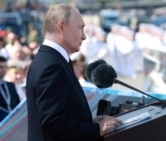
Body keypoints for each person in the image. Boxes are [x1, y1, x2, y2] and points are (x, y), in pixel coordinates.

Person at [25, 4, 122, 141]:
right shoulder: (52, 66)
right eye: (80, 28)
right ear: (61, 27)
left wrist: (89, 124)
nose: (84, 36)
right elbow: (52, 122)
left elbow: (60, 116)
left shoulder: (49, 59)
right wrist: (96, 129)